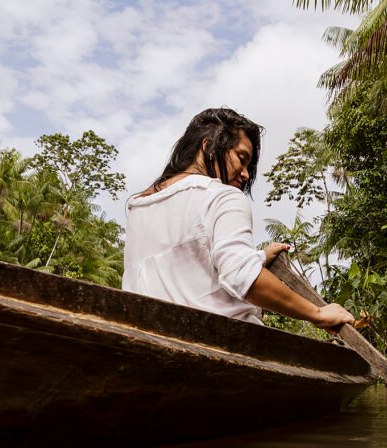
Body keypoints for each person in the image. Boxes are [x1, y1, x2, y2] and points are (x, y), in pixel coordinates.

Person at [122, 107, 353, 331]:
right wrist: (318, 313)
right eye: (241, 158)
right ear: (208, 146)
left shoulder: (140, 206)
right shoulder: (221, 195)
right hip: (224, 347)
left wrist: (259, 257)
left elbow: (183, 268)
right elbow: (243, 278)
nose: (245, 174)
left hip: (155, 343)